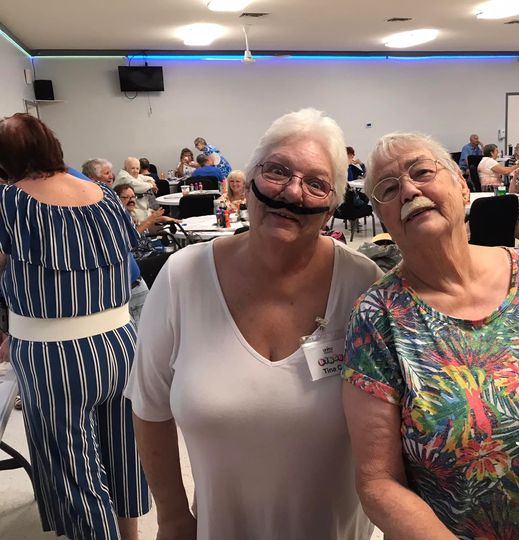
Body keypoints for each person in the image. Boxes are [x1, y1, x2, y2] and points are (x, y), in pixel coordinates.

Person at [342, 131, 519, 539]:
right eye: (388, 188)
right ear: (383, 217)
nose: (408, 189)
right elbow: (378, 483)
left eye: (422, 171)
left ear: (462, 186)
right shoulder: (378, 316)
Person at [125, 108, 381, 540]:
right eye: (277, 171)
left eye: (316, 183)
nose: (292, 193)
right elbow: (149, 407)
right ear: (248, 182)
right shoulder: (183, 276)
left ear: (333, 206)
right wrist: (170, 515)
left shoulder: (363, 284)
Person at [0, 113, 150, 540]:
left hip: (55, 356)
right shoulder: (102, 195)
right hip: (120, 344)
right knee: (123, 450)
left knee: (72, 465)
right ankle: (130, 535)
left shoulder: (8, 201)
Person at [114, 157, 157, 222]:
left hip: (137, 209)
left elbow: (143, 177)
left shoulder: (131, 175)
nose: (135, 171)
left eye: (137, 168)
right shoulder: (124, 177)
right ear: (126, 168)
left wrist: (150, 181)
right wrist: (151, 185)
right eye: (132, 168)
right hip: (128, 211)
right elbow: (138, 187)